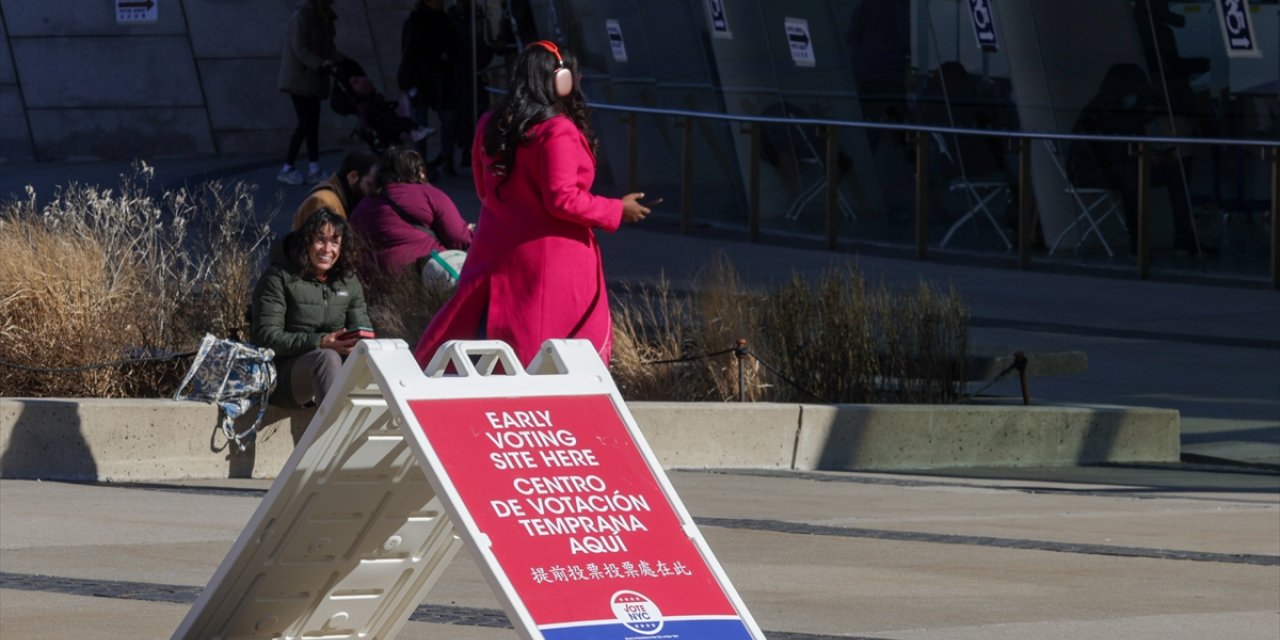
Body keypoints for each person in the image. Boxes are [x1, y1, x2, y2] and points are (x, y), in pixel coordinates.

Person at [412, 41, 652, 369]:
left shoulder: (490, 124)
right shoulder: (557, 130)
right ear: (560, 78)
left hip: (494, 249)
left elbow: (484, 190)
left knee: (486, 345)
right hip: (550, 261)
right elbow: (562, 199)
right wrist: (615, 209)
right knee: (542, 356)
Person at [1068, 63, 1202, 256]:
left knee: (1174, 172)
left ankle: (1184, 236)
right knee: (1131, 177)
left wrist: (1155, 154)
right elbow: (1104, 151)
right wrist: (1146, 157)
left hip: (1125, 165)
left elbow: (1134, 143)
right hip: (1093, 170)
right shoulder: (1099, 111)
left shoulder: (1130, 111)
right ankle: (1137, 243)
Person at [251, 208, 371, 408]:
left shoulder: (348, 282)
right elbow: (265, 336)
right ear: (306, 242)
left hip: (336, 366)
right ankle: (334, 436)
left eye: (335, 242)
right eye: (320, 240)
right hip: (282, 373)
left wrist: (357, 343)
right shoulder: (279, 277)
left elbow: (362, 328)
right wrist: (320, 342)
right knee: (327, 359)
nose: (327, 249)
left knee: (375, 359)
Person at [348, 146, 473, 283]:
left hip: (378, 282)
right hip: (426, 276)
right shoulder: (429, 194)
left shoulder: (363, 206)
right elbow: (458, 238)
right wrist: (468, 231)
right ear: (416, 171)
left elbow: (353, 246)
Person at [276, 0, 344, 186]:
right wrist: (321, 62)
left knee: (312, 124)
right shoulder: (302, 15)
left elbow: (328, 46)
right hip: (300, 79)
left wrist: (338, 59)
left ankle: (314, 167)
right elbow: (300, 48)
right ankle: (287, 167)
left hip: (313, 79)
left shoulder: (323, 15)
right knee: (306, 123)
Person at [398, 0, 461, 175]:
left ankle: (447, 159)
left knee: (446, 119)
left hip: (441, 77)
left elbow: (454, 47)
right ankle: (420, 164)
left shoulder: (444, 20)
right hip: (422, 77)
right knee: (421, 123)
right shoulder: (416, 21)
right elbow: (409, 51)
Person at [291, 148, 380, 230]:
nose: (374, 192)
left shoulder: (344, 199)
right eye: (370, 185)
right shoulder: (324, 202)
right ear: (353, 176)